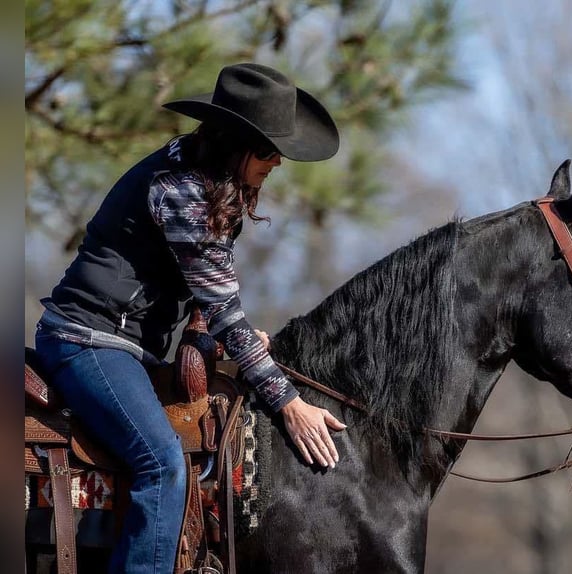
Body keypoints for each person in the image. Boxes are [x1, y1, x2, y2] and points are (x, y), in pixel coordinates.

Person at [34, 63, 347, 573]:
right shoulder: (181, 191)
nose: (278, 163)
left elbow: (212, 303)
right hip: (88, 341)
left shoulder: (204, 182)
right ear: (237, 142)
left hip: (127, 347)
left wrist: (231, 341)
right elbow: (223, 309)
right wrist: (289, 404)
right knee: (163, 466)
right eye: (269, 150)